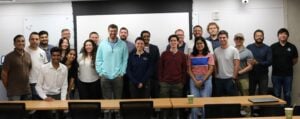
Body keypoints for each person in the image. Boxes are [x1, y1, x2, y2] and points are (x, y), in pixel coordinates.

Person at [96, 24, 128, 99]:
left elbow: (125, 60)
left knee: (118, 98)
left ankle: (116, 111)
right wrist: (100, 72)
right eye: (111, 31)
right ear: (108, 31)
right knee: (106, 98)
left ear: (117, 32)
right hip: (105, 75)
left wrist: (122, 72)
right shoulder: (102, 44)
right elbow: (98, 59)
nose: (113, 32)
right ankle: (108, 111)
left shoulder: (123, 44)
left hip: (118, 76)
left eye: (114, 31)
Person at [159, 34, 187, 119]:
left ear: (178, 42)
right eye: (171, 41)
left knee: (176, 106)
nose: (173, 42)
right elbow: (160, 68)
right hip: (165, 84)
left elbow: (184, 70)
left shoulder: (182, 55)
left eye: (175, 40)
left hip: (177, 84)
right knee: (164, 105)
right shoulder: (164, 54)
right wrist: (161, 82)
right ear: (169, 42)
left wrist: (182, 82)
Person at [35, 47, 68, 119]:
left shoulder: (64, 68)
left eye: (58, 55)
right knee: (47, 116)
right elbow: (38, 86)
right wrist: (45, 97)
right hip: (46, 95)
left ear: (61, 56)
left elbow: (64, 86)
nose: (56, 57)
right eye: (54, 55)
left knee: (60, 116)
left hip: (59, 96)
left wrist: (63, 100)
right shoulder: (43, 67)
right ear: (51, 56)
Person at [187, 37, 214, 119]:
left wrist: (202, 81)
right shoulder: (191, 55)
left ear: (204, 44)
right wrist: (195, 81)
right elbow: (189, 70)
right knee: (194, 102)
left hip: (206, 79)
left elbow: (211, 69)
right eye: (198, 43)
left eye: (201, 43)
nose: (199, 45)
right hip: (194, 80)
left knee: (205, 102)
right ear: (195, 45)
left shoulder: (209, 55)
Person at [271, 28, 298, 106]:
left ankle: (287, 111)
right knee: (276, 95)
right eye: (281, 34)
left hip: (288, 75)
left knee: (288, 94)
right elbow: (270, 59)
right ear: (278, 36)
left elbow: (295, 60)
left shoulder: (292, 47)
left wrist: (287, 65)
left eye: (285, 34)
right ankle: (278, 112)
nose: (283, 35)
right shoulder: (273, 47)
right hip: (276, 75)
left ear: (287, 36)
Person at [1, 34, 32, 101]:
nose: (21, 43)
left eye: (23, 41)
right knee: (15, 111)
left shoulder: (28, 55)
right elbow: (4, 74)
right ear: (14, 44)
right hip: (14, 92)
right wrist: (9, 88)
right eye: (18, 41)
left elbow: (28, 70)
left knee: (27, 111)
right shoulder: (9, 57)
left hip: (27, 90)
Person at [214, 30, 240, 96]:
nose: (222, 39)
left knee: (232, 100)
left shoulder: (234, 50)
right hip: (219, 79)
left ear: (227, 38)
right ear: (218, 39)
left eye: (224, 37)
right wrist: (216, 75)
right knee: (220, 100)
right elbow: (215, 63)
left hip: (230, 79)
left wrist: (234, 77)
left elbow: (236, 65)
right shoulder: (216, 50)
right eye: (220, 38)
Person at [246, 29, 272, 95]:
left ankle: (262, 106)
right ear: (254, 37)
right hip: (251, 75)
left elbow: (270, 62)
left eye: (261, 36)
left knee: (263, 94)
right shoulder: (249, 47)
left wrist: (258, 63)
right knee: (250, 93)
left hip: (263, 75)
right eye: (257, 36)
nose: (259, 37)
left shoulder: (267, 48)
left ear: (263, 37)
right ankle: (251, 106)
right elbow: (245, 59)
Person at [234, 33, 253, 116]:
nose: (238, 40)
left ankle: (248, 115)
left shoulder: (248, 52)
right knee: (235, 97)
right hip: (233, 78)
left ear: (243, 40)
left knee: (245, 97)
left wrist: (239, 72)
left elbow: (250, 66)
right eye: (237, 38)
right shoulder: (231, 50)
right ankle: (236, 115)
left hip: (244, 78)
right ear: (234, 40)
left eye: (240, 39)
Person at [25, 32, 48, 100]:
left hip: (41, 83)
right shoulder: (24, 51)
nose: (34, 41)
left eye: (36, 39)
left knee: (41, 104)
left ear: (39, 40)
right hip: (28, 83)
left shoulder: (42, 52)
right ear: (29, 40)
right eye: (32, 39)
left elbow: (45, 67)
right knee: (31, 105)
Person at [140, 30, 160, 98]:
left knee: (155, 97)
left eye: (148, 36)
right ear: (141, 37)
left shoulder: (155, 48)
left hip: (154, 78)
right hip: (142, 78)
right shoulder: (137, 49)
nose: (146, 38)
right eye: (144, 36)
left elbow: (158, 62)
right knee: (144, 98)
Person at [119, 27, 135, 99]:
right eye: (122, 32)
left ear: (127, 34)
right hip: (118, 71)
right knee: (120, 91)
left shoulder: (132, 45)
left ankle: (129, 108)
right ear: (119, 34)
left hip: (129, 71)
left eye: (125, 32)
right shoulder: (115, 44)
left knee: (129, 90)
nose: (123, 34)